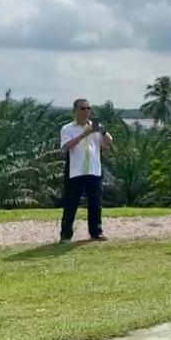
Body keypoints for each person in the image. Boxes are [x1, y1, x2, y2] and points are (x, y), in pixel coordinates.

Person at [59, 98, 113, 244]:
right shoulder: (67, 129)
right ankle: (65, 235)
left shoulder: (97, 127)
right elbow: (65, 147)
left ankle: (96, 232)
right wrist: (84, 134)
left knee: (95, 203)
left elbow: (108, 144)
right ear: (75, 111)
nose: (86, 111)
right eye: (83, 108)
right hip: (76, 171)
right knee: (71, 203)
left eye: (88, 108)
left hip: (94, 170)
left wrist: (103, 132)